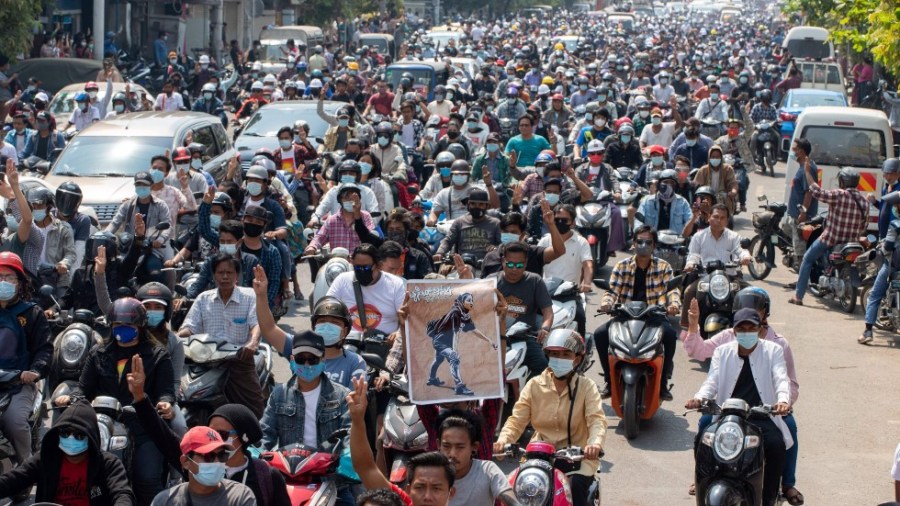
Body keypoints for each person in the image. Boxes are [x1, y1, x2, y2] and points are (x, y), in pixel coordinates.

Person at [682, 287, 803, 504]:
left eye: (751, 327)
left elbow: (782, 379)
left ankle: (770, 497)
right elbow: (712, 381)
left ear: (759, 328)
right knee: (703, 439)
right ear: (734, 331)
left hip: (761, 415)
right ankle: (704, 481)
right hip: (727, 415)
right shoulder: (723, 350)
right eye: (741, 328)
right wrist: (699, 398)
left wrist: (783, 401)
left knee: (776, 445)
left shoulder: (774, 348)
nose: (746, 332)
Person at [127, 353, 291, 505]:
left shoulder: (267, 477)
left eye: (222, 434)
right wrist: (140, 397)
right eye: (210, 432)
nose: (213, 440)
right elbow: (161, 434)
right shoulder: (197, 467)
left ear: (243, 438)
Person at [56, 297, 174, 505]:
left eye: (128, 325)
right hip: (102, 425)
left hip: (143, 426)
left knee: (147, 479)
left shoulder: (157, 355)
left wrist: (165, 404)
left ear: (140, 325)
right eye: (118, 324)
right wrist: (71, 398)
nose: (123, 329)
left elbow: (166, 392)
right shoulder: (98, 353)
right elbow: (83, 388)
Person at [494, 329, 607, 506]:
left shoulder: (587, 387)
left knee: (577, 489)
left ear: (577, 359)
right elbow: (516, 420)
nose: (559, 358)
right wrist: (503, 441)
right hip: (538, 457)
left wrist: (594, 444)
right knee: (512, 490)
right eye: (555, 354)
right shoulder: (534, 385)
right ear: (548, 355)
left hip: (576, 459)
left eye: (566, 354)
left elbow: (596, 420)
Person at [259, 330, 354, 504]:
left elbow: (350, 435)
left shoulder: (342, 396)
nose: (307, 364)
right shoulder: (278, 395)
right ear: (293, 361)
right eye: (302, 359)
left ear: (323, 361)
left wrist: (346, 458)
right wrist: (255, 453)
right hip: (287, 479)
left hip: (330, 481)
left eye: (313, 359)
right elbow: (265, 434)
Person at [595, 225, 680, 399]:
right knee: (600, 334)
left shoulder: (664, 267)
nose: (643, 245)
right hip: (624, 316)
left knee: (670, 335)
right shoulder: (621, 265)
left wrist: (674, 305)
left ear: (654, 245)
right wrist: (606, 304)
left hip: (654, 317)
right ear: (633, 244)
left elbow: (673, 290)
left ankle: (663, 382)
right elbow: (612, 290)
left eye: (648, 242)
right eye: (640, 241)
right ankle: (609, 381)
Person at [0, 399, 136, 505]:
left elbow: (122, 494)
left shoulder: (109, 464)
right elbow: (14, 479)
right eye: (65, 433)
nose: (71, 438)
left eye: (79, 435)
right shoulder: (46, 458)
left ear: (91, 437)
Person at [178, 254, 264, 416]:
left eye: (229, 272)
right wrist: (177, 337)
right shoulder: (203, 298)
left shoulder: (249, 296)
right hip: (205, 362)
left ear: (237, 275)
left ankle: (258, 437)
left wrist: (252, 343)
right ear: (214, 275)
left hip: (238, 360)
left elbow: (256, 324)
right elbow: (190, 327)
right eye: (220, 272)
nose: (225, 276)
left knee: (254, 408)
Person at [348, 378, 457, 505]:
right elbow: (365, 468)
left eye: (436, 488)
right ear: (408, 489)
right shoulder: (402, 502)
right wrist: (357, 420)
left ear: (451, 493)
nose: (427, 496)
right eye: (419, 487)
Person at [254, 266, 366, 388]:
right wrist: (261, 296)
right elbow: (269, 329)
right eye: (322, 321)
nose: (327, 325)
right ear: (314, 326)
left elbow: (354, 402)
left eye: (335, 322)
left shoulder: (355, 362)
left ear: (345, 331)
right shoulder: (298, 346)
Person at [0, 251, 52, 473]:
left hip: (18, 384)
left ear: (20, 283)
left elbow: (44, 350)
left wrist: (34, 371)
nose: (3, 282)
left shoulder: (32, 313)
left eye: (9, 278)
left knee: (16, 424)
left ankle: (26, 471)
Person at [789, 166, 868, 306]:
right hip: (851, 243)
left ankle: (798, 296)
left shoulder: (839, 195)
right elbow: (863, 227)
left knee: (807, 259)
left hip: (831, 239)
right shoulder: (864, 202)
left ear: (842, 182)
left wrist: (807, 172)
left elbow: (816, 191)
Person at [488, 241, 554, 377]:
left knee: (542, 367)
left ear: (526, 263)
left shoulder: (535, 281)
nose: (514, 269)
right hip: (494, 337)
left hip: (524, 338)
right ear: (502, 261)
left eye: (519, 265)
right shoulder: (490, 281)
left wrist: (545, 328)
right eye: (510, 264)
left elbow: (548, 312)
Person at [681, 204, 751, 327]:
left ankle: (751, 326)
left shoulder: (734, 237)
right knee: (688, 292)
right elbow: (693, 255)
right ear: (709, 218)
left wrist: (745, 257)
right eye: (716, 216)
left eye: (723, 218)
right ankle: (687, 327)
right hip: (704, 277)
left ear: (727, 220)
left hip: (730, 277)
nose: (719, 220)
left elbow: (740, 250)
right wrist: (690, 264)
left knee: (753, 294)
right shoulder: (698, 236)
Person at [150, 425, 256, 505]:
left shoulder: (240, 496)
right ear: (186, 462)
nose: (217, 462)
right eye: (209, 456)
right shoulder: (164, 501)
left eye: (222, 455)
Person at [424, 292, 499, 396]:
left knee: (438, 359)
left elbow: (474, 330)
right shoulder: (455, 312)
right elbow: (455, 333)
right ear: (462, 301)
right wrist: (454, 351)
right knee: (454, 358)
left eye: (472, 300)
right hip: (440, 341)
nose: (471, 302)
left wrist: (490, 341)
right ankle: (459, 387)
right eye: (468, 300)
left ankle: (432, 379)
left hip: (446, 342)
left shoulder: (465, 315)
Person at [326, 244, 406, 338]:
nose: (362, 271)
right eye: (357, 268)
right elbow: (327, 309)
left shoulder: (396, 284)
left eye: (366, 268)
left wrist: (398, 334)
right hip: (349, 342)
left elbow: (406, 317)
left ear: (379, 265)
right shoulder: (342, 280)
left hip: (383, 344)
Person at [539, 204, 592, 336]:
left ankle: (582, 352)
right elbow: (535, 261)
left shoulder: (581, 242)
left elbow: (587, 265)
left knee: (580, 317)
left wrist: (587, 282)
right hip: (546, 292)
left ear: (573, 223)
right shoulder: (545, 240)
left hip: (571, 294)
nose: (560, 223)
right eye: (557, 220)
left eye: (565, 220)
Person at [482, 204, 564, 277]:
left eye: (513, 232)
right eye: (505, 232)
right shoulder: (491, 257)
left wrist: (551, 224)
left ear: (522, 235)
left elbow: (559, 251)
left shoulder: (534, 253)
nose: (508, 234)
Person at [27, 186, 76, 297]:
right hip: (31, 278)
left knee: (60, 306)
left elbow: (71, 253)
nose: (35, 208)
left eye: (39, 205)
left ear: (49, 206)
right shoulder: (25, 227)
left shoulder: (63, 228)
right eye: (32, 206)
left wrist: (64, 264)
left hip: (56, 278)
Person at [434, 188, 501, 262]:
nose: (477, 207)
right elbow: (448, 241)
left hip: (487, 264)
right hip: (463, 263)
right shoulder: (459, 222)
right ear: (469, 205)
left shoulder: (495, 224)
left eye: (481, 204)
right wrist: (440, 253)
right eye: (473, 204)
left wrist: (496, 249)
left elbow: (502, 245)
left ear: (486, 206)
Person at [636, 169, 694, 235]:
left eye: (671, 183)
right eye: (665, 182)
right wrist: (641, 234)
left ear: (676, 186)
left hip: (675, 242)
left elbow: (689, 221)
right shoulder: (647, 201)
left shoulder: (683, 202)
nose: (668, 185)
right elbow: (638, 221)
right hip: (652, 242)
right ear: (659, 184)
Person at [692, 145, 739, 217]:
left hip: (723, 198)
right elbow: (696, 185)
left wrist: (733, 191)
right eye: (713, 157)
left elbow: (733, 183)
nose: (715, 159)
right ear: (709, 158)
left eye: (717, 157)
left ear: (721, 158)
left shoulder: (728, 169)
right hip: (707, 198)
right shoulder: (703, 170)